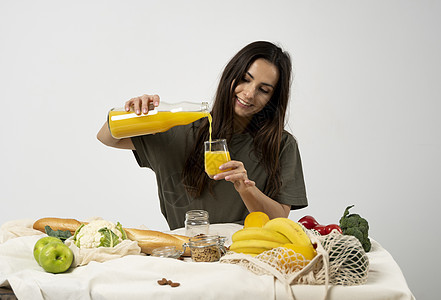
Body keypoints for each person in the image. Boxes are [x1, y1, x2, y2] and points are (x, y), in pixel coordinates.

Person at [97, 41, 307, 230]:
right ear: (230, 76)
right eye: (245, 79)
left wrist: (246, 188)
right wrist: (134, 113)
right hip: (185, 256)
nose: (249, 93)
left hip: (245, 256)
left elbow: (279, 219)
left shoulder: (281, 144)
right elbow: (106, 137)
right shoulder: (179, 129)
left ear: (273, 98)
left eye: (264, 90)